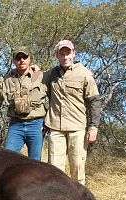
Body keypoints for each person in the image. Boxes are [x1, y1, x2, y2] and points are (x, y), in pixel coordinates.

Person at [45, 40, 101, 184]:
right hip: (55, 128)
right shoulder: (52, 73)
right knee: (54, 170)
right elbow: (35, 78)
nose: (65, 57)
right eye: (61, 54)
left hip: (77, 128)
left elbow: (94, 102)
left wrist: (93, 127)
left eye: (68, 53)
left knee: (77, 168)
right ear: (57, 55)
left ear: (74, 53)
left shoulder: (85, 74)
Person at [0, 46, 48, 160]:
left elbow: (54, 98)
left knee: (35, 163)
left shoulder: (41, 76)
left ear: (29, 58)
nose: (22, 60)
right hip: (16, 125)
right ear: (14, 61)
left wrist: (48, 122)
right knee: (6, 159)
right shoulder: (8, 79)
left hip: (36, 125)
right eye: (18, 57)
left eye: (24, 57)